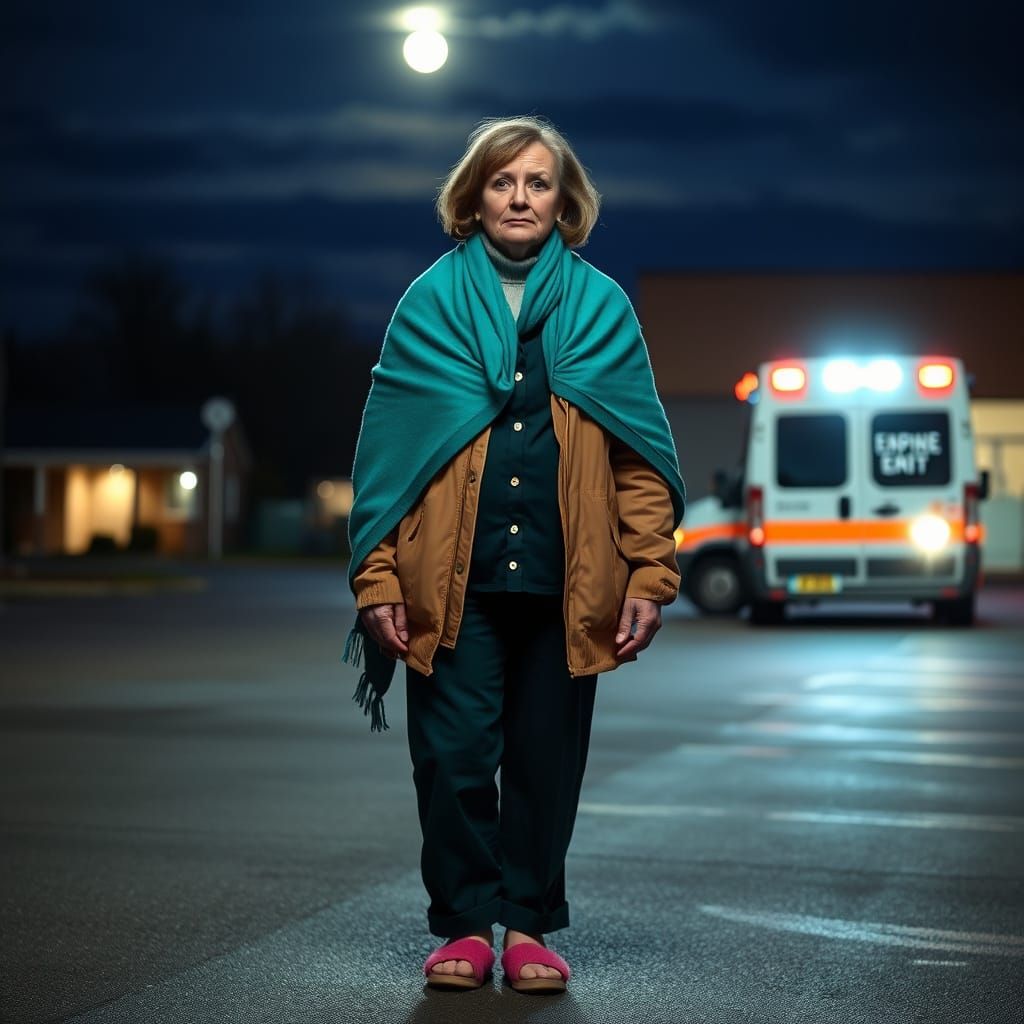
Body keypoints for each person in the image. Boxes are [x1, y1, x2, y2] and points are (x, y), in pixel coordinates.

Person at [342, 114, 685, 994]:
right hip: (447, 585)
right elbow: (386, 457)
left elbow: (637, 458)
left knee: (544, 762)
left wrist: (650, 572)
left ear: (564, 200)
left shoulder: (603, 306)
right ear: (475, 196)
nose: (520, 197)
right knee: (452, 761)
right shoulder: (429, 301)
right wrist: (377, 574)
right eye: (503, 182)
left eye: (538, 182)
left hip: (570, 587)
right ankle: (462, 926)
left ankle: (528, 927)